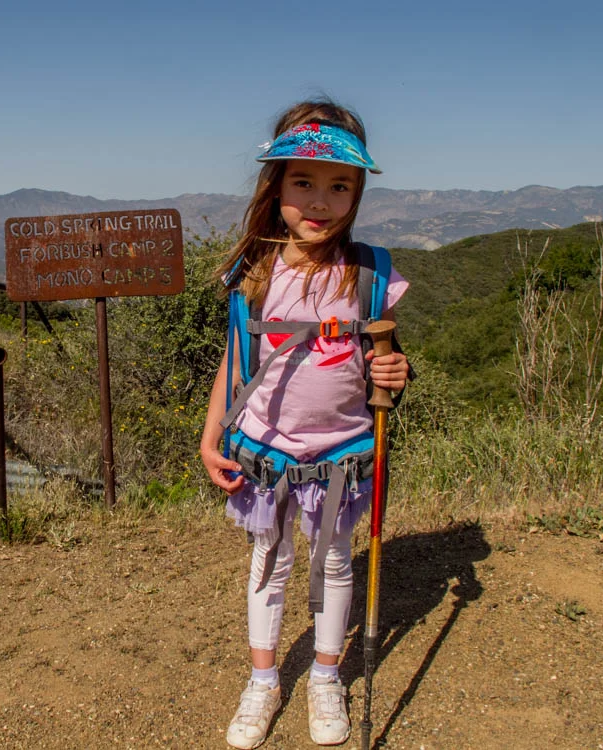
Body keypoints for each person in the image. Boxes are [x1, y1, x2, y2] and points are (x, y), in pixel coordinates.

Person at [199, 99, 410, 748]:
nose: (320, 201)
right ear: (276, 186)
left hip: (340, 453)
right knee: (270, 559)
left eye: (339, 185)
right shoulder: (254, 272)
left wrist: (395, 375)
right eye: (303, 182)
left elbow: (387, 361)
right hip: (265, 451)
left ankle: (324, 676)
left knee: (334, 561)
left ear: (358, 190)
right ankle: (263, 681)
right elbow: (236, 359)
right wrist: (211, 435)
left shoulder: (369, 274)